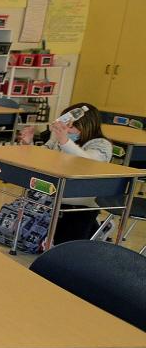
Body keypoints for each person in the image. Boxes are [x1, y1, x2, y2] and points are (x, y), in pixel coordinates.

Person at [18, 102, 113, 244]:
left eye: (72, 127)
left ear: (86, 126)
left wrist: (64, 141)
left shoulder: (101, 144)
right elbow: (43, 158)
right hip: (52, 193)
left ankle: (97, 227)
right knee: (26, 234)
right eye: (64, 126)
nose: (67, 130)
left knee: (64, 243)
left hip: (79, 199)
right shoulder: (59, 140)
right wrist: (28, 144)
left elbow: (89, 163)